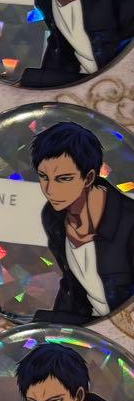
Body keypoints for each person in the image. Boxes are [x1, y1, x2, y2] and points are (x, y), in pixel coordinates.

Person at [31, 121, 134, 322]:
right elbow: (72, 285)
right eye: (44, 177)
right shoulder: (52, 216)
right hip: (89, 325)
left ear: (88, 178)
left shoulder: (129, 223)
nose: (50, 190)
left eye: (63, 179)